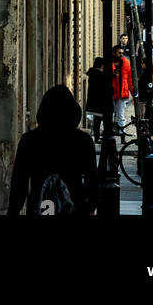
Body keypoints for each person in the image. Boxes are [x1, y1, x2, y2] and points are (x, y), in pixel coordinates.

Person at [8, 84, 98, 215]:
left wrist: (13, 210)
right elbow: (92, 180)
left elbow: (19, 183)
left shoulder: (30, 140)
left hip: (40, 207)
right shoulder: (83, 141)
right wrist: (90, 206)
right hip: (75, 206)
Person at [112, 45, 134, 141]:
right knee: (110, 114)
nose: (121, 54)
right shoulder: (109, 63)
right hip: (111, 92)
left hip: (121, 93)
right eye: (119, 52)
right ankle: (110, 133)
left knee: (121, 115)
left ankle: (122, 136)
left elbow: (130, 80)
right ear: (114, 53)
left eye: (122, 53)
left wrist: (133, 94)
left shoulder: (126, 63)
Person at [84, 57, 107, 143]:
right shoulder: (100, 75)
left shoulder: (92, 73)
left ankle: (97, 136)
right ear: (101, 65)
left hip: (93, 100)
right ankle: (98, 137)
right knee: (99, 120)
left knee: (97, 120)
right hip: (99, 100)